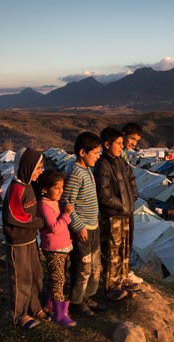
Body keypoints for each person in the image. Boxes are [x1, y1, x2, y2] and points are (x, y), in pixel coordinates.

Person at [2, 147, 47, 330]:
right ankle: (19, 315)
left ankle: (35, 307)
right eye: (38, 168)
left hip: (29, 240)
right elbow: (14, 215)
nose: (40, 172)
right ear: (28, 167)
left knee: (36, 274)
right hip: (17, 242)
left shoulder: (29, 185)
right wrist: (39, 222)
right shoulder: (16, 188)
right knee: (21, 278)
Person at [62, 131, 106, 317]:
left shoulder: (87, 170)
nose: (98, 157)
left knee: (95, 264)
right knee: (83, 265)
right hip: (83, 229)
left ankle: (87, 295)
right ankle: (76, 301)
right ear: (82, 152)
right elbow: (66, 202)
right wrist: (78, 226)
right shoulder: (75, 173)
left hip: (93, 225)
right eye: (95, 153)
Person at [94, 127, 139, 301]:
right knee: (112, 251)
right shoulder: (103, 165)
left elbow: (132, 179)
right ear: (107, 144)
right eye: (119, 143)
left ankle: (121, 281)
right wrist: (121, 205)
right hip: (113, 215)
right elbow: (103, 194)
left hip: (125, 212)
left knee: (123, 249)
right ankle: (111, 287)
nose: (122, 146)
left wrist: (132, 199)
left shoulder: (120, 161)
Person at [37, 170, 76, 327]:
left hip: (62, 247)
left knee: (59, 277)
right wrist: (66, 215)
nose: (61, 191)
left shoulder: (54, 202)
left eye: (62, 187)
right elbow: (54, 227)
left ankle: (50, 304)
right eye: (57, 188)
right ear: (45, 189)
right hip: (54, 248)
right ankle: (60, 314)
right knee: (57, 279)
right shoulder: (44, 205)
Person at [120, 122, 144, 285]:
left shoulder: (123, 156)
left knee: (126, 240)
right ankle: (122, 273)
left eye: (137, 141)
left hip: (126, 204)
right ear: (123, 135)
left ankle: (123, 271)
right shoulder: (117, 156)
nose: (134, 144)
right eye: (132, 139)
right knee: (121, 242)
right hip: (121, 206)